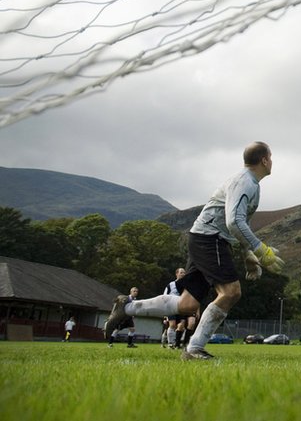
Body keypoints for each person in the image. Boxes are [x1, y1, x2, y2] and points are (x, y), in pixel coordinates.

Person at [102, 142, 285, 361]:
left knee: (187, 304)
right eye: (271, 157)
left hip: (205, 237)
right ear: (264, 160)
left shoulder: (250, 183)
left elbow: (239, 221)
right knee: (231, 292)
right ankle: (193, 349)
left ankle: (127, 307)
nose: (272, 161)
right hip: (210, 238)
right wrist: (260, 249)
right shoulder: (245, 182)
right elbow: (234, 221)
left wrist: (248, 254)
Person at [162, 267, 188, 349]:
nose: (183, 274)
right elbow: (164, 296)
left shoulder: (187, 285)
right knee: (172, 325)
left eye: (184, 272)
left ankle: (178, 343)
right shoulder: (171, 284)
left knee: (181, 326)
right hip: (171, 307)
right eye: (181, 272)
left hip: (182, 307)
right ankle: (170, 343)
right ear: (176, 274)